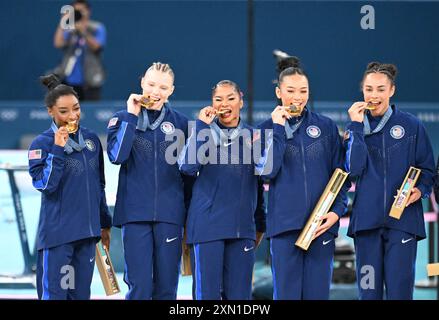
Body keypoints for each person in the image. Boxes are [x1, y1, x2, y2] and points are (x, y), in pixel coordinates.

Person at [256, 58, 348, 300]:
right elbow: (267, 172)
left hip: (321, 229)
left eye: (303, 91)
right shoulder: (264, 130)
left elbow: (341, 176)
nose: (297, 97)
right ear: (278, 92)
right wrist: (278, 129)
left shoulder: (326, 127)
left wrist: (337, 212)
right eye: (290, 91)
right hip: (285, 229)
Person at [344, 62, 436, 300]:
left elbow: (427, 169)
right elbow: (353, 169)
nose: (374, 95)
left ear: (391, 90)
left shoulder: (412, 125)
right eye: (369, 89)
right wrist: (355, 126)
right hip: (366, 225)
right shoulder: (355, 127)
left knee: (400, 294)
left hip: (403, 222)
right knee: (369, 294)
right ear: (362, 91)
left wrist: (421, 190)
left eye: (381, 89)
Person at [107, 62, 192, 300]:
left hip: (170, 215)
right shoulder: (122, 119)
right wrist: (131, 117)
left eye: (163, 87)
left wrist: (187, 215)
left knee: (167, 289)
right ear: (142, 82)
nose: (156, 92)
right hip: (135, 215)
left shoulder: (182, 124)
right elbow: (117, 156)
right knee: (139, 288)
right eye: (152, 84)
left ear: (171, 90)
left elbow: (189, 174)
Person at [178, 80, 266, 300]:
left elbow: (260, 182)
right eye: (219, 99)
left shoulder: (254, 136)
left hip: (241, 229)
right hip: (207, 227)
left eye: (230, 98)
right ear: (212, 104)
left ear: (241, 101)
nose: (224, 104)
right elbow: (187, 167)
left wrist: (260, 223)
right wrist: (200, 126)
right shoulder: (202, 132)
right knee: (206, 296)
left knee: (240, 298)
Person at [28, 74, 111, 300]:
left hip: (87, 235)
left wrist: (104, 224)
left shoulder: (92, 140)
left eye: (76, 108)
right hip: (58, 238)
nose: (72, 115)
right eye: (64, 111)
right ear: (51, 112)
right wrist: (57, 150)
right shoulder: (41, 144)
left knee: (80, 296)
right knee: (55, 296)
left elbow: (98, 185)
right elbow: (45, 185)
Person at [53, 0, 106, 100]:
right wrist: (63, 22)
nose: (78, 13)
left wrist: (83, 32)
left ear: (88, 11)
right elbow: (58, 43)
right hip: (70, 80)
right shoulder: (69, 29)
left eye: (81, 10)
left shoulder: (97, 28)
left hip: (91, 79)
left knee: (91, 111)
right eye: (75, 11)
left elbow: (97, 47)